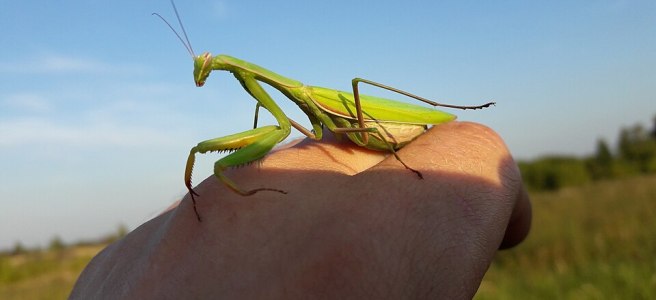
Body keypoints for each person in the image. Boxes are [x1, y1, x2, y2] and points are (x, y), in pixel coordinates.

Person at [70, 122, 531, 299]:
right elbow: (274, 126)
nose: (202, 73)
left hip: (370, 117)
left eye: (207, 67)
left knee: (354, 84)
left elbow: (283, 127)